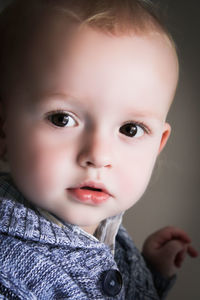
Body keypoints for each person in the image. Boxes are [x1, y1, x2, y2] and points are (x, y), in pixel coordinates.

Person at [0, 0, 198, 299]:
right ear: (3, 129)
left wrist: (150, 273)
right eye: (62, 119)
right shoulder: (8, 271)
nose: (98, 155)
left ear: (158, 144)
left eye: (130, 129)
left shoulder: (112, 235)